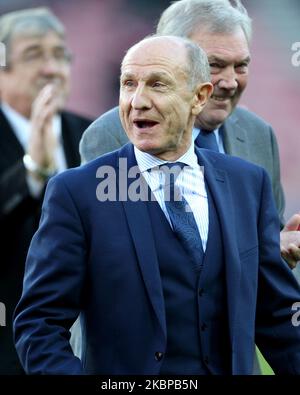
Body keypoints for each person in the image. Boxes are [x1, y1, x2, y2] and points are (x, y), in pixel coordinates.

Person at [14, 35, 300, 375]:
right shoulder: (77, 192)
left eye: (157, 85)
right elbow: (39, 323)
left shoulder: (247, 184)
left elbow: (280, 316)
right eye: (128, 84)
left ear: (199, 97)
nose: (138, 101)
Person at [79, 0, 300, 273]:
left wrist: (277, 250)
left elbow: (266, 243)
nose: (230, 82)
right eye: (214, 65)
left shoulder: (258, 134)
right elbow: (119, 257)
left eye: (241, 66)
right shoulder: (110, 136)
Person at [0, 7, 93, 374]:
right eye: (33, 55)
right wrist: (32, 172)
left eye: (59, 55)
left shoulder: (92, 135)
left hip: (88, 346)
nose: (51, 68)